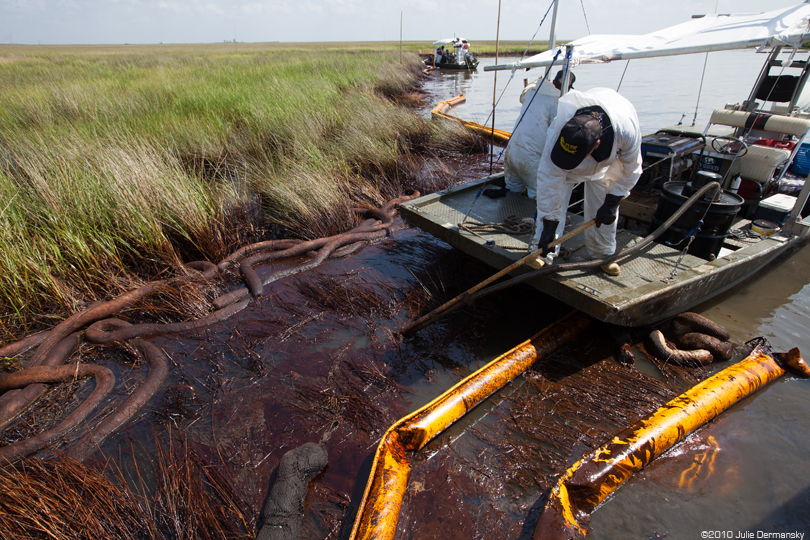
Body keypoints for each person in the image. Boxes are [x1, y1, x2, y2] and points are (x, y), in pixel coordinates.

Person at [531, 87, 642, 276]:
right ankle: (542, 251)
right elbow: (549, 182)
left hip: (606, 164)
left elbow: (630, 170)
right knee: (551, 208)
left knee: (604, 206)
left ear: (596, 145)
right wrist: (549, 225)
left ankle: (603, 254)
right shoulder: (560, 128)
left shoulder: (627, 131)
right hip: (565, 169)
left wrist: (613, 201)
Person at [485, 69, 575, 200]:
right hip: (532, 158)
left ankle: (510, 213)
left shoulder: (533, 92)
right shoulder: (558, 103)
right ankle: (528, 220)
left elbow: (525, 92)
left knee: (513, 190)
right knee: (537, 195)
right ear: (568, 87)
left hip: (512, 151)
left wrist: (536, 81)